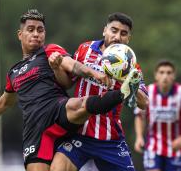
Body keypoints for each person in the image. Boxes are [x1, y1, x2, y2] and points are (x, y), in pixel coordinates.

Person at [0, 9, 140, 171]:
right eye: (31, 30)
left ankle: (123, 92)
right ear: (20, 34)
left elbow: (73, 66)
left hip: (57, 109)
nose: (36, 34)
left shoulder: (50, 51)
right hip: (35, 129)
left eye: (40, 30)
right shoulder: (13, 72)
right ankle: (122, 93)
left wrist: (93, 74)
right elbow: (5, 102)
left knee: (81, 104)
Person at [49, 12, 149, 171]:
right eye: (114, 30)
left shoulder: (132, 65)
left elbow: (144, 103)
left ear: (128, 38)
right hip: (79, 133)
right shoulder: (85, 49)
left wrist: (128, 81)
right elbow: (67, 84)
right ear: (105, 30)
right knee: (57, 168)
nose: (117, 37)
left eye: (123, 33)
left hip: (110, 139)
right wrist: (56, 69)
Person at [134, 60, 181, 171]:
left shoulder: (180, 93)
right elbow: (139, 116)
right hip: (153, 147)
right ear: (156, 75)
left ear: (174, 76)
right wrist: (139, 136)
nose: (165, 76)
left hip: (176, 149)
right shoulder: (148, 92)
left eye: (169, 73)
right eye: (161, 72)